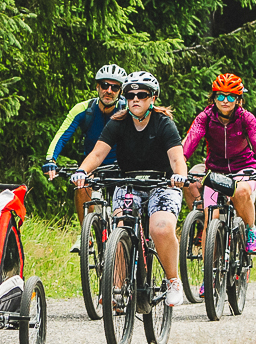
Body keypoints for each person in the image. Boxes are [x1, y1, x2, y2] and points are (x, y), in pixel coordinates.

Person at [71, 71, 189, 307]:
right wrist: (83, 171)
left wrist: (180, 177)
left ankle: (173, 281)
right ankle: (115, 287)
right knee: (121, 226)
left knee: (161, 228)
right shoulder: (118, 123)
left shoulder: (164, 123)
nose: (135, 99)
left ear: (152, 98)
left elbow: (177, 159)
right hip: (129, 184)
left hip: (162, 184)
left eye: (142, 94)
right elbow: (97, 153)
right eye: (130, 94)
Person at [179, 73, 256, 255]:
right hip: (215, 170)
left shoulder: (246, 118)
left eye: (231, 97)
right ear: (213, 98)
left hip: (244, 168)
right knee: (207, 217)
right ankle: (209, 278)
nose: (225, 101)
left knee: (242, 191)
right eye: (220, 96)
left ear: (238, 99)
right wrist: (178, 165)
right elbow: (188, 144)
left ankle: (250, 229)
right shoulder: (205, 117)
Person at [43, 64, 129, 227]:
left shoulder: (127, 111)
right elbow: (61, 136)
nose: (108, 91)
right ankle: (86, 235)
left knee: (122, 220)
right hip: (92, 165)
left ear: (120, 91)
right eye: (104, 85)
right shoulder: (84, 109)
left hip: (121, 167)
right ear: (97, 86)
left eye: (115, 87)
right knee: (81, 184)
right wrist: (51, 160)